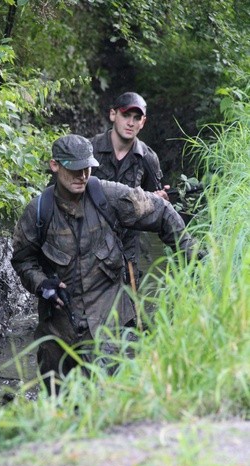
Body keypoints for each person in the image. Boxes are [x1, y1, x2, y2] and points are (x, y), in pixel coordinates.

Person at [11, 134, 198, 395]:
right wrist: (43, 285)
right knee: (59, 408)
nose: (82, 176)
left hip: (111, 325)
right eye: (74, 169)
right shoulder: (38, 212)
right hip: (59, 333)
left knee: (113, 401)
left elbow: (162, 212)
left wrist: (196, 259)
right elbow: (22, 259)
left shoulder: (107, 196)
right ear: (55, 166)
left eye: (87, 168)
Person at [90, 92, 169, 285]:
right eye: (125, 116)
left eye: (136, 118)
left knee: (129, 312)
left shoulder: (148, 159)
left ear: (143, 122)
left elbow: (155, 211)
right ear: (113, 115)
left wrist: (158, 201)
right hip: (89, 245)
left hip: (128, 250)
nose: (130, 123)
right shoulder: (90, 149)